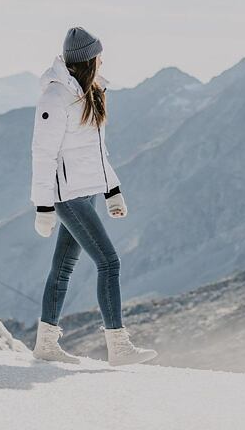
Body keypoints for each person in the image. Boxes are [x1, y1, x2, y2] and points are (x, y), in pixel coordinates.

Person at [30, 26, 157, 366]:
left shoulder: (93, 93)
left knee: (63, 268)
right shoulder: (55, 98)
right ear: (88, 60)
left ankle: (45, 343)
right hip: (67, 196)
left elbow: (98, 153)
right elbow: (43, 154)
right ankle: (118, 345)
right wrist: (42, 205)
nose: (103, 60)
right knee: (109, 262)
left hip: (87, 194)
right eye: (99, 55)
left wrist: (113, 191)